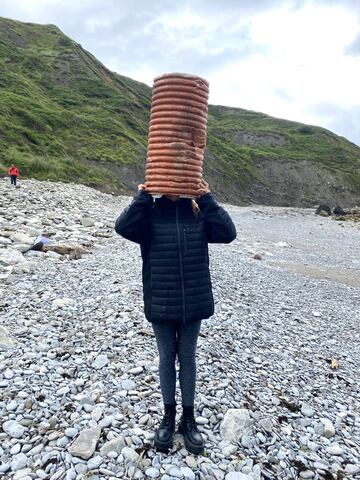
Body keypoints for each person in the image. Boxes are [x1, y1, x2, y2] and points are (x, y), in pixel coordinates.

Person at [115, 179, 236, 454]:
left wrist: (206, 197)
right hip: (162, 301)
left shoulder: (198, 214)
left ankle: (188, 418)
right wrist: (142, 197)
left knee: (189, 358)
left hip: (193, 301)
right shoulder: (150, 215)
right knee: (167, 358)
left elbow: (228, 233)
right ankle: (168, 416)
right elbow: (122, 227)